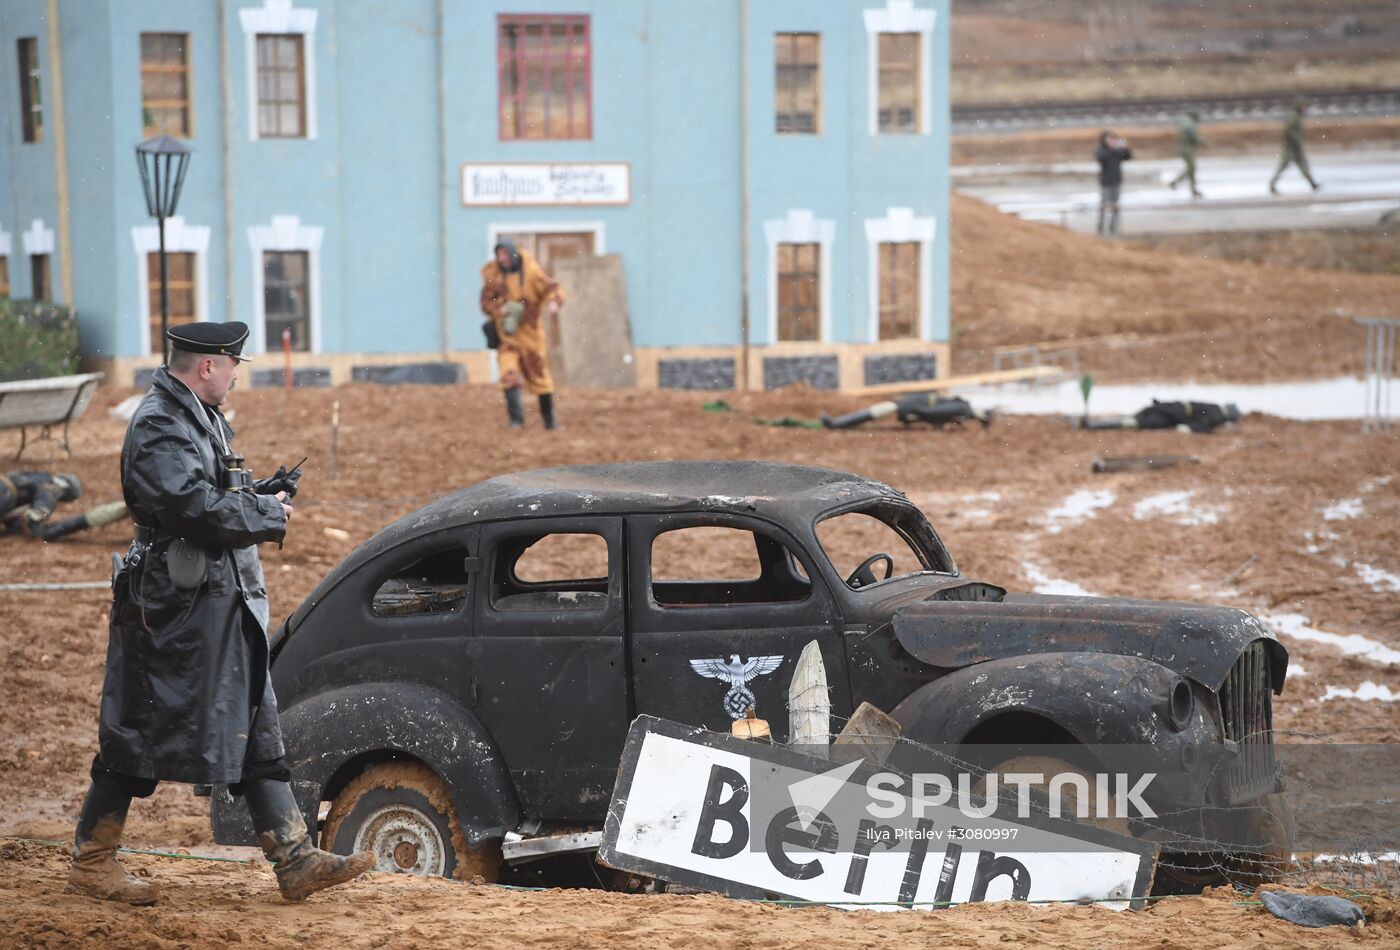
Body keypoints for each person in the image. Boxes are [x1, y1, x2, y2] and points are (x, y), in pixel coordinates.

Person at [68, 321, 374, 905]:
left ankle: (294, 857)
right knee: (140, 722)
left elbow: (204, 493)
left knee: (254, 714)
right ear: (206, 366)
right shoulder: (160, 422)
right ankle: (92, 860)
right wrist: (265, 513)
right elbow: (188, 506)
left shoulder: (193, 415)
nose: (236, 374)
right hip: (172, 611)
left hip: (209, 602)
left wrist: (261, 492)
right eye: (233, 364)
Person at [480, 239, 566, 430]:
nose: (502, 259)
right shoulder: (494, 276)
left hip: (531, 336)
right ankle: (516, 420)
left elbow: (553, 288)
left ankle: (549, 420)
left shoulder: (531, 272)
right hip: (507, 337)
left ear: (513, 254)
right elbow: (485, 302)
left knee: (541, 378)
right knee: (508, 374)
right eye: (498, 255)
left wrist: (554, 302)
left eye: (505, 254)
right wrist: (498, 309)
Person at [822, 393, 992, 430]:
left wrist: (911, 410)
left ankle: (837, 424)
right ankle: (837, 423)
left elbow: (934, 412)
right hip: (909, 405)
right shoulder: (961, 408)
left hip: (908, 406)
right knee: (873, 413)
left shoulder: (960, 407)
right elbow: (935, 412)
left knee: (873, 413)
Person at [1269, 100, 1320, 194]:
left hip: (1296, 148)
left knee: (1304, 165)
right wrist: (1297, 141)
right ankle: (1272, 184)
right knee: (1283, 166)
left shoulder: (1298, 118)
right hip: (1290, 148)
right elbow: (1289, 132)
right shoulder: (1294, 118)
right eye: (1303, 107)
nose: (1305, 109)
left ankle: (1313, 184)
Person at [1094, 130, 1133, 236]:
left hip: (1117, 180)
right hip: (1105, 181)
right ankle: (1100, 227)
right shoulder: (1101, 150)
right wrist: (1113, 149)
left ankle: (1113, 227)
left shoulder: (1117, 151)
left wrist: (1126, 148)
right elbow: (1100, 159)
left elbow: (1128, 157)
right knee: (1104, 205)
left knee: (1115, 205)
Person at [1168, 111, 1204, 198]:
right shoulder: (1189, 125)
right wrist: (1202, 142)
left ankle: (1192, 189)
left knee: (1191, 169)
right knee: (1191, 168)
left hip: (1185, 148)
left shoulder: (1185, 123)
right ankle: (1176, 182)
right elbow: (1194, 136)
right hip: (1187, 149)